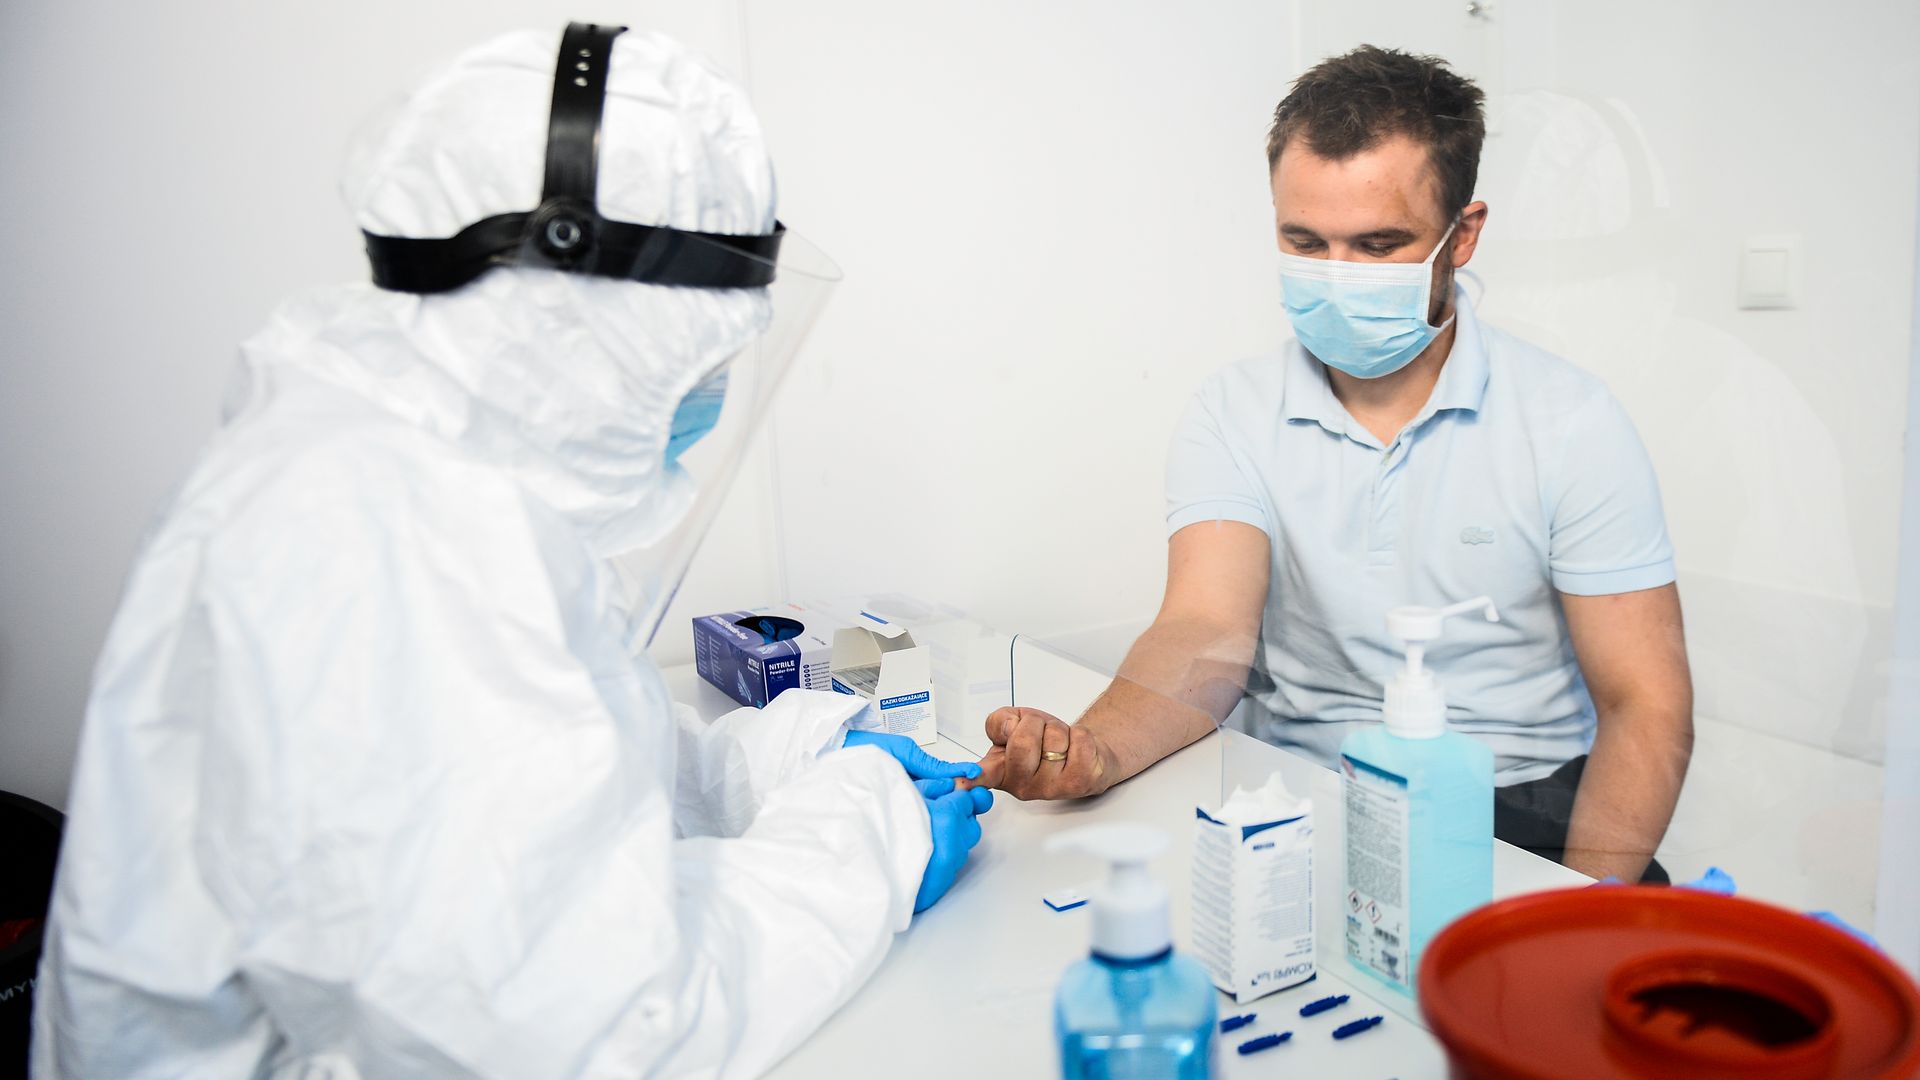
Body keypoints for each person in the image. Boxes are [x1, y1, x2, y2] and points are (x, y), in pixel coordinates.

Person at [33, 25, 990, 1078]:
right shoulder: (376, 541)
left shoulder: (418, 474)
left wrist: (797, 762)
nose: (712, 394)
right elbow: (588, 1035)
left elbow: (556, 789)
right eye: (704, 350)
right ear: (575, 300)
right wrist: (865, 835)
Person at [973, 46, 1691, 886]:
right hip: (1307, 792)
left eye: (1380, 244)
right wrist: (1097, 752)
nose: (1338, 279)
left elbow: (1648, 705)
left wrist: (1583, 910)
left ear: (1461, 236)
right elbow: (1205, 631)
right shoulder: (1233, 410)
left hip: (1519, 805)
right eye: (1305, 241)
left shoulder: (1569, 420)